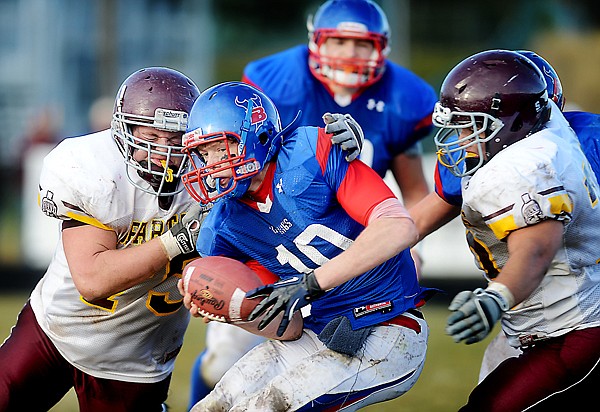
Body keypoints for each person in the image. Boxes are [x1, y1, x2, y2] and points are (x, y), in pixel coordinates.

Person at [188, 0, 438, 404]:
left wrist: (311, 284)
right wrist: (223, 300)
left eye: (224, 148)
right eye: (206, 154)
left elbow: (402, 218)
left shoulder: (311, 150)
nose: (214, 165)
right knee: (217, 392)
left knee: (267, 405)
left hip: (380, 311)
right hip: (312, 320)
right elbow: (282, 323)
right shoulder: (224, 225)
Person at [0, 67, 209, 411]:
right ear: (123, 131)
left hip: (137, 357)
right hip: (58, 330)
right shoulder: (93, 169)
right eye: (151, 138)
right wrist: (177, 241)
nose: (163, 153)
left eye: (174, 140)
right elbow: (94, 280)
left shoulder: (212, 181)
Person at [409, 50, 600, 384]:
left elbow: (538, 247)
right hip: (524, 315)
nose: (462, 139)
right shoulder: (477, 151)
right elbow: (415, 222)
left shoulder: (579, 144)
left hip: (579, 312)